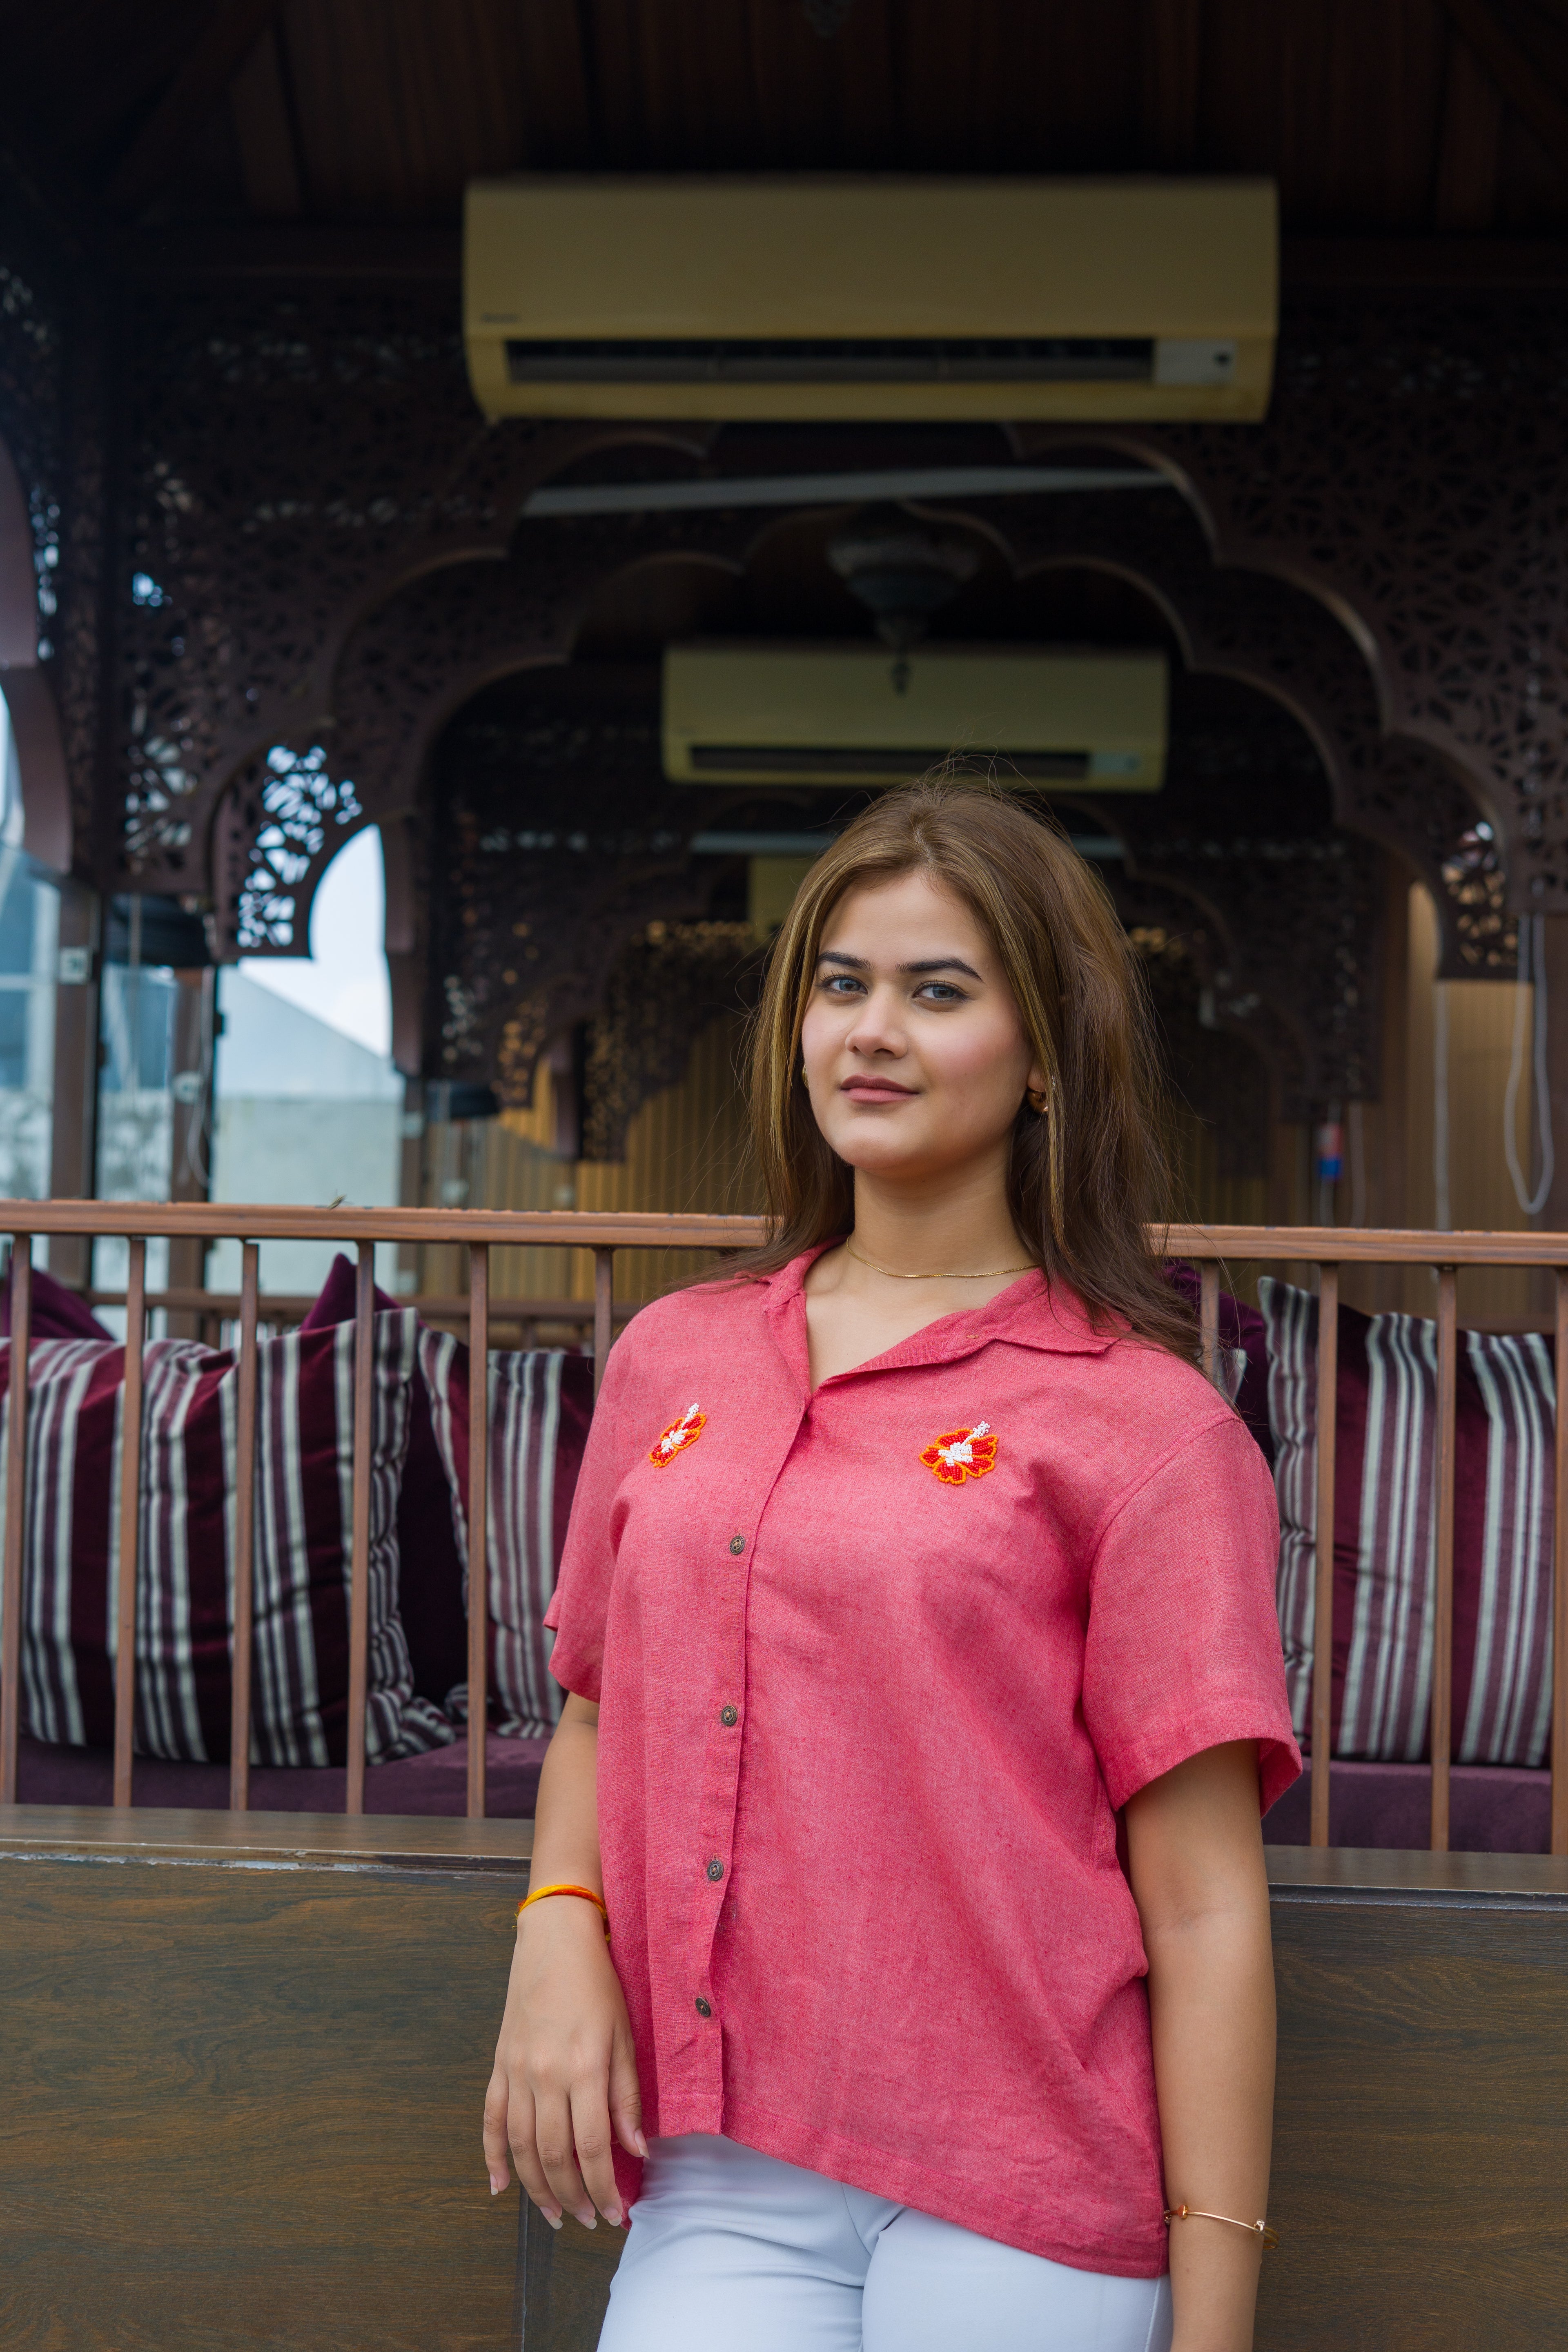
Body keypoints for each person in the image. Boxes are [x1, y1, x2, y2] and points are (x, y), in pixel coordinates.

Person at [483, 777, 1299, 2352]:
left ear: (1047, 1054)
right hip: (721, 2174)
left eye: (940, 992)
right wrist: (554, 1927)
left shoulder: (1146, 1430)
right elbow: (596, 1703)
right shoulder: (676, 1358)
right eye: (841, 986)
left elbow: (1202, 1908)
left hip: (1026, 2187)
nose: (873, 1031)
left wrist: (1215, 2322)